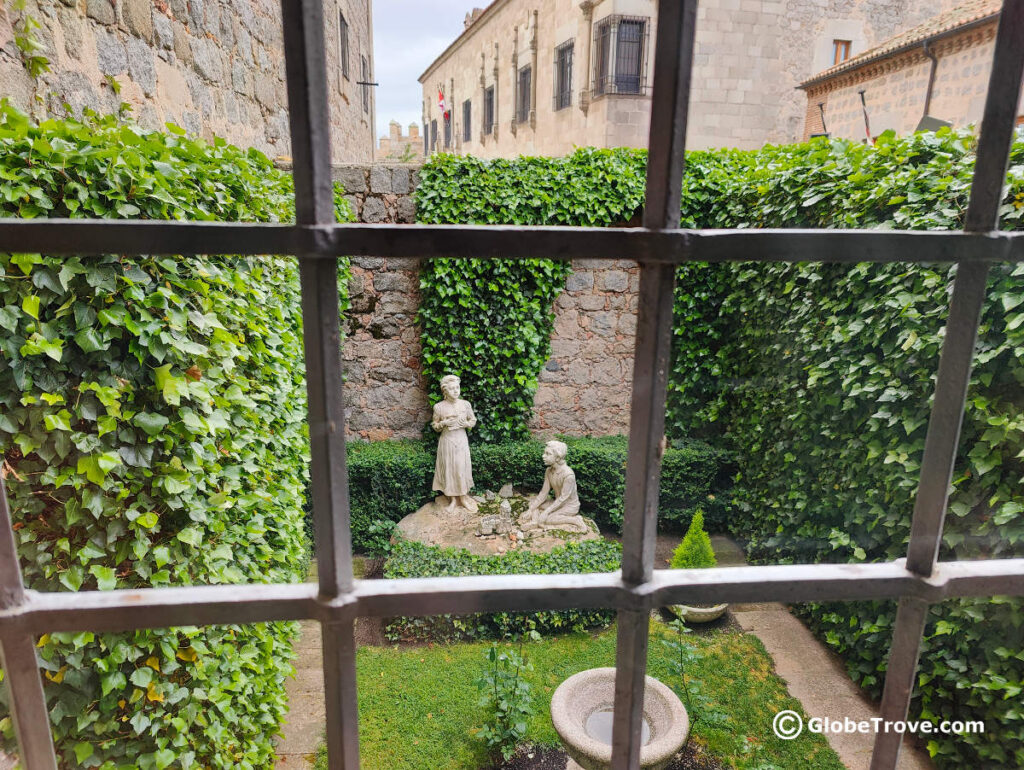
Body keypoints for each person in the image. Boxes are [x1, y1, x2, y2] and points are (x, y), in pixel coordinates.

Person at [431, 374, 478, 514]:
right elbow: (435, 424)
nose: (456, 391)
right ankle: (452, 500)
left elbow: (473, 420)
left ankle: (463, 498)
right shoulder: (439, 407)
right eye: (452, 389)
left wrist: (467, 424)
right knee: (449, 470)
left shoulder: (465, 404)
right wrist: (444, 423)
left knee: (461, 468)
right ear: (445, 391)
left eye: (457, 387)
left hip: (461, 440)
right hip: (447, 441)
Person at [520, 440, 588, 534]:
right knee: (532, 503)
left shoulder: (568, 475)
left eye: (548, 454)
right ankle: (535, 521)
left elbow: (563, 498)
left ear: (557, 457)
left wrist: (546, 512)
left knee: (548, 519)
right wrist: (530, 510)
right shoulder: (548, 471)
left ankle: (575, 521)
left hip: (569, 505)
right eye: (544, 453)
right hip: (557, 502)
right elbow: (544, 493)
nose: (543, 456)